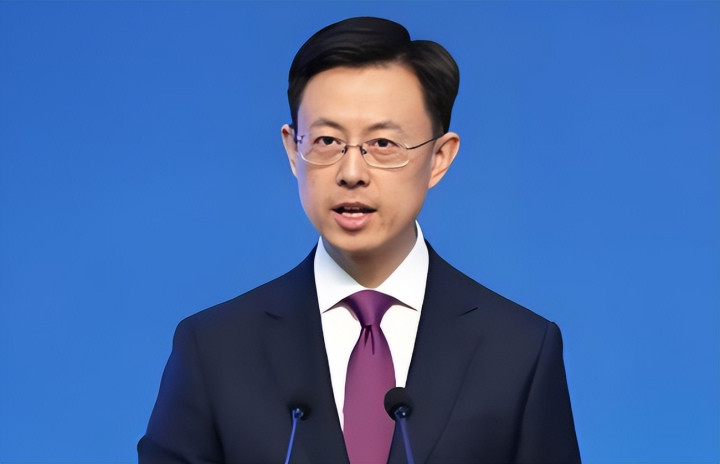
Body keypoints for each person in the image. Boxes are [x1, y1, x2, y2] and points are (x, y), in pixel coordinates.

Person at [138, 16, 580, 464]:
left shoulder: (519, 350)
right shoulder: (214, 350)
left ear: (439, 157)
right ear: (293, 151)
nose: (351, 173)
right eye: (327, 141)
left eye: (383, 144)